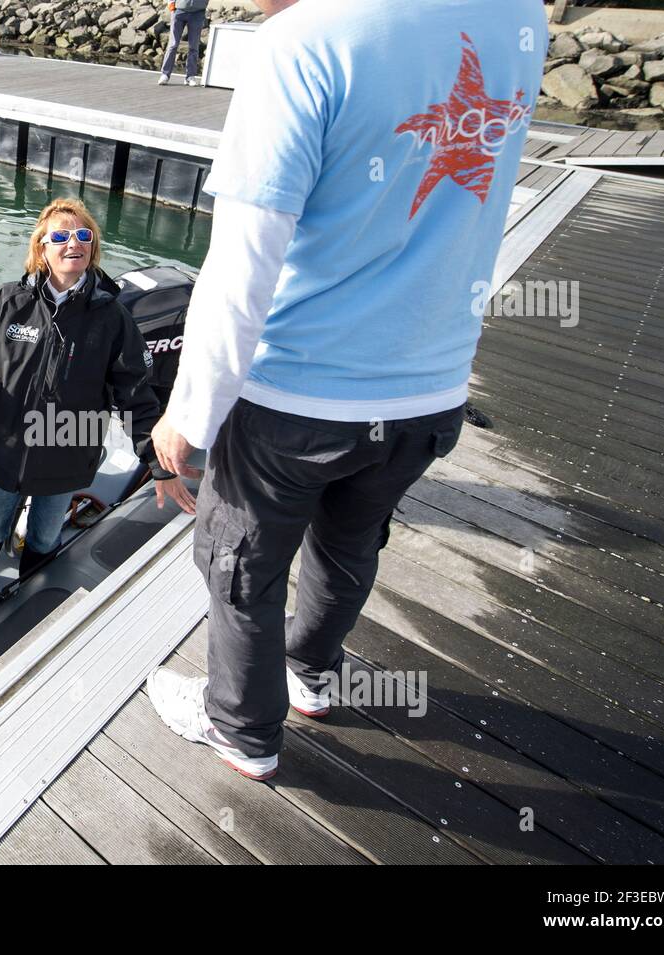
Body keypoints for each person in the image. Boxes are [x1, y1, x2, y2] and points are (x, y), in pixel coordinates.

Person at [146, 0, 546, 780]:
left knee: (239, 562)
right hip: (431, 388)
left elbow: (241, 267)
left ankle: (243, 729)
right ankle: (311, 672)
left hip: (295, 394)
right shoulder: (517, 16)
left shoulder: (302, 43)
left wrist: (188, 416)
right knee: (351, 541)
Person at [0, 198, 197, 619]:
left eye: (83, 235)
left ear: (92, 247)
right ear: (42, 247)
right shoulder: (9, 301)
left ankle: (29, 591)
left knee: (44, 535)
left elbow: (136, 396)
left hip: (68, 453)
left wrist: (160, 465)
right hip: (5, 448)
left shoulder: (112, 317)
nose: (71, 243)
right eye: (59, 236)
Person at [158, 0, 210, 87]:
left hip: (198, 13)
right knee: (173, 44)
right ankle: (165, 74)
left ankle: (190, 77)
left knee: (194, 46)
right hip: (179, 11)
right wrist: (171, 5)